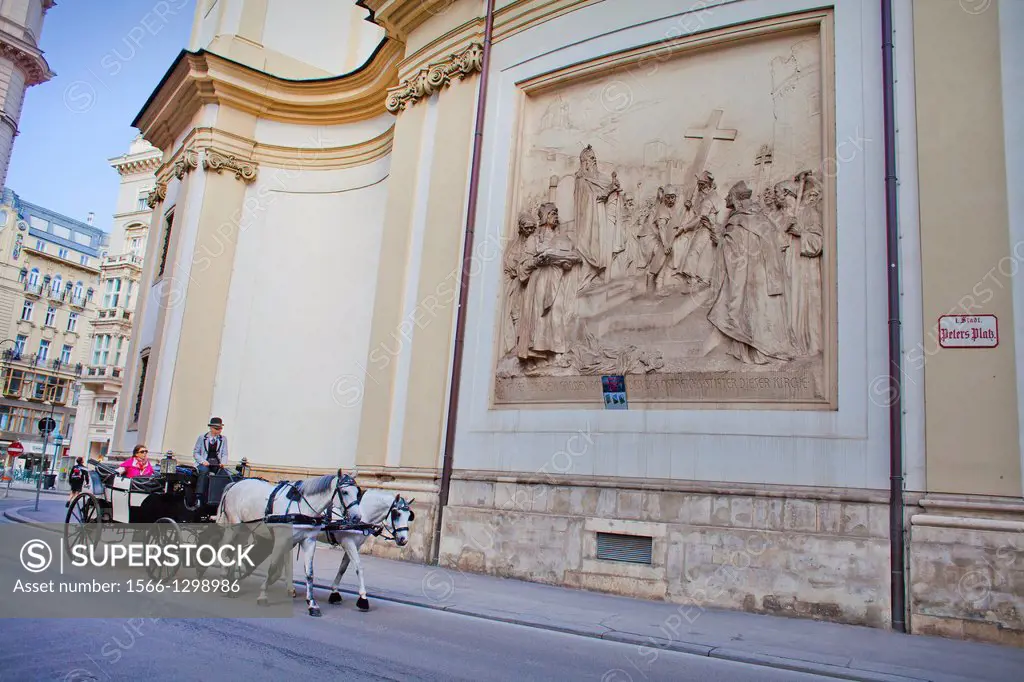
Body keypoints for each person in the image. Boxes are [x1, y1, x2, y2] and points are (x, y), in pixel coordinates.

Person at [193, 417, 228, 502]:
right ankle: (199, 495)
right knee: (204, 471)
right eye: (217, 429)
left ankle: (218, 496)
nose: (219, 431)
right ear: (211, 428)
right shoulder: (202, 438)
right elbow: (196, 453)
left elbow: (225, 453)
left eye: (220, 429)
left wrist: (223, 463)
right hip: (205, 462)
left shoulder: (223, 439)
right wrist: (203, 461)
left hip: (216, 463)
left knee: (223, 474)